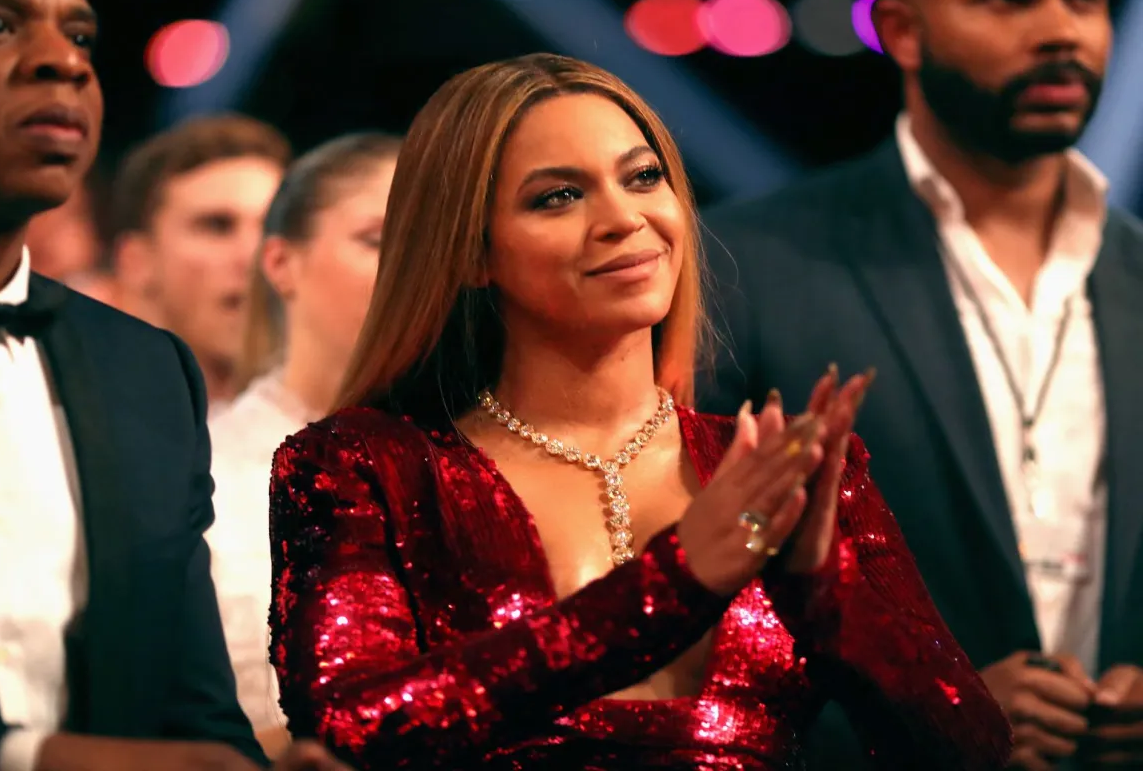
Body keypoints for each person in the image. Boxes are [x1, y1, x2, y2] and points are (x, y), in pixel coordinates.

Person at [267, 53, 1012, 770]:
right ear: (471, 253)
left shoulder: (790, 470)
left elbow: (972, 750)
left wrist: (825, 590)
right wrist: (677, 580)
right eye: (558, 196)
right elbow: (346, 732)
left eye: (643, 177)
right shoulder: (361, 467)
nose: (624, 218)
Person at [700, 0, 1143, 768]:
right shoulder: (742, 268)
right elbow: (680, 614)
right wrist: (921, 717)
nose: (1062, 30)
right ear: (902, 32)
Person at [0, 0, 345, 769]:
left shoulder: (145, 369)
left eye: (81, 38)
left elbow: (195, 710)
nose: (64, 62)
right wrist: (38, 759)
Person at [208, 132, 400, 756]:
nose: (411, 266)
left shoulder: (484, 453)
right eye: (378, 239)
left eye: (430, 244)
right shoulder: (206, 473)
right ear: (281, 263)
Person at [109, 114, 290, 407]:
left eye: (272, 226)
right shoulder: (73, 419)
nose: (255, 255)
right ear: (136, 261)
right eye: (217, 226)